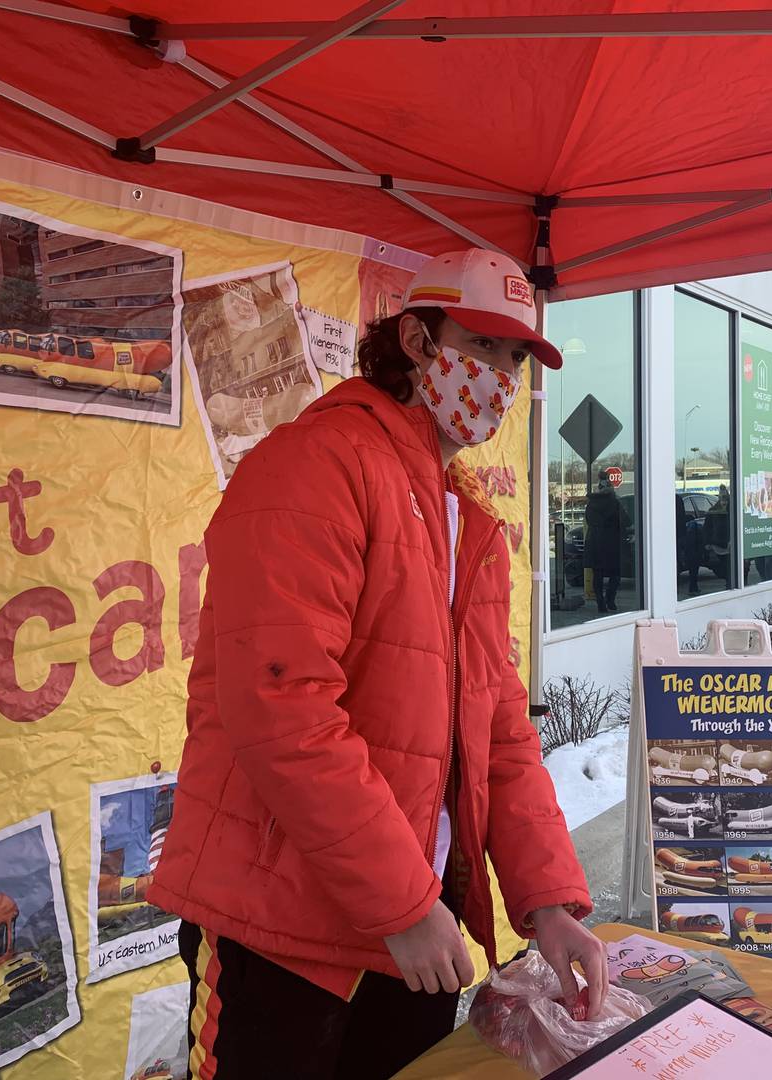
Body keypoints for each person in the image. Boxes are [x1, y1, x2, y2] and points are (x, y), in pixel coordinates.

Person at [151, 248, 604, 1079]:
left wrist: (546, 902)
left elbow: (499, 731)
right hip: (282, 935)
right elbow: (284, 709)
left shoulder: (465, 513)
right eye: (485, 346)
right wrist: (403, 904)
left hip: (414, 935)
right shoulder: (312, 464)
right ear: (418, 341)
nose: (501, 377)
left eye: (516, 358)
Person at [585, 467, 630, 613]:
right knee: (615, 573)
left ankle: (600, 602)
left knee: (597, 573)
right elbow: (625, 521)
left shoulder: (591, 503)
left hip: (595, 542)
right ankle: (610, 599)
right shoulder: (614, 503)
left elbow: (588, 520)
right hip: (612, 543)